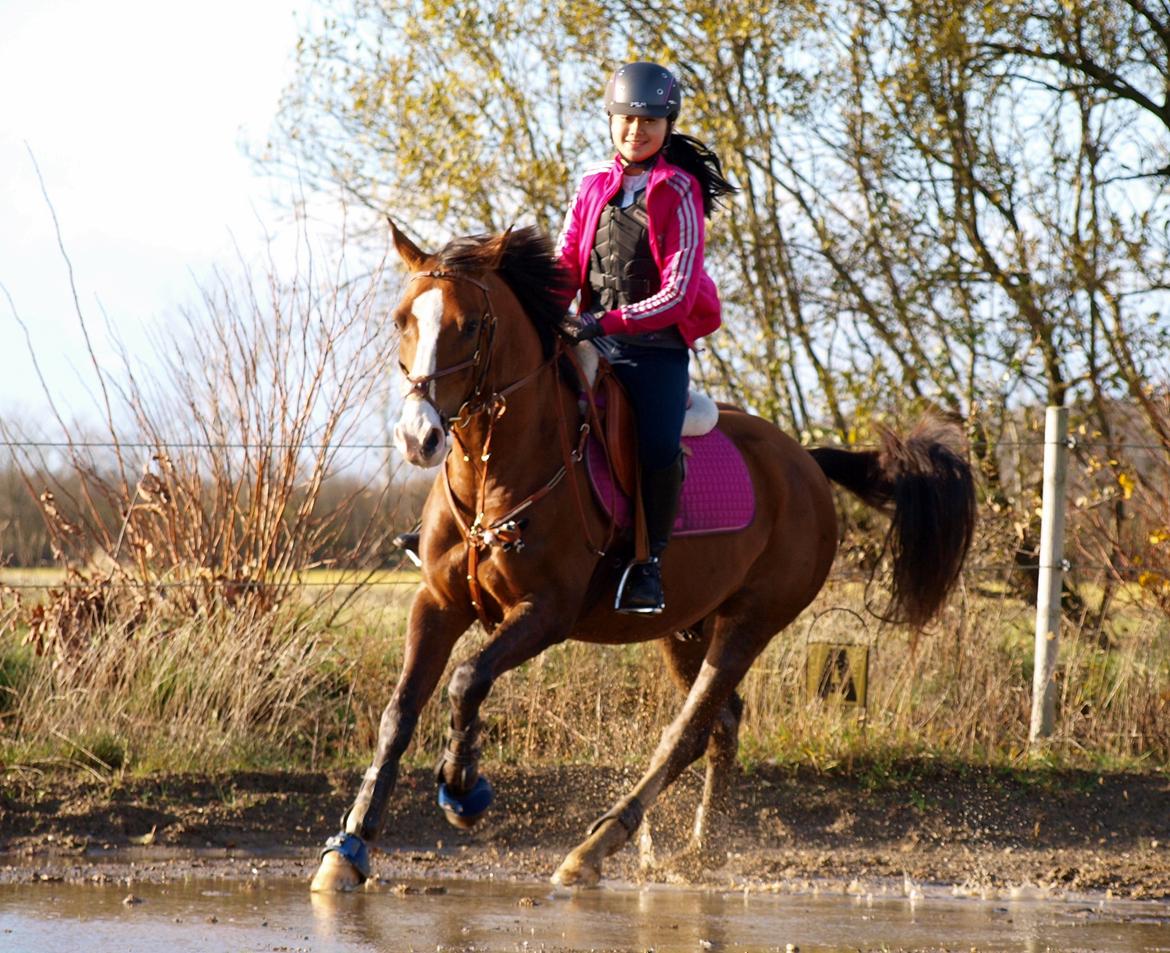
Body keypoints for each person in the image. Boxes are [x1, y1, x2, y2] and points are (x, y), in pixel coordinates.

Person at [557, 61, 736, 615]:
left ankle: (648, 564)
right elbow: (566, 262)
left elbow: (679, 294)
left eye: (650, 121)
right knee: (504, 395)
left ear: (667, 125)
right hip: (588, 336)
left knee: (657, 446)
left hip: (652, 350)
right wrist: (543, 309)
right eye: (627, 120)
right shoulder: (591, 186)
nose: (637, 131)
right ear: (611, 122)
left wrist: (601, 323)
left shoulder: (679, 192)